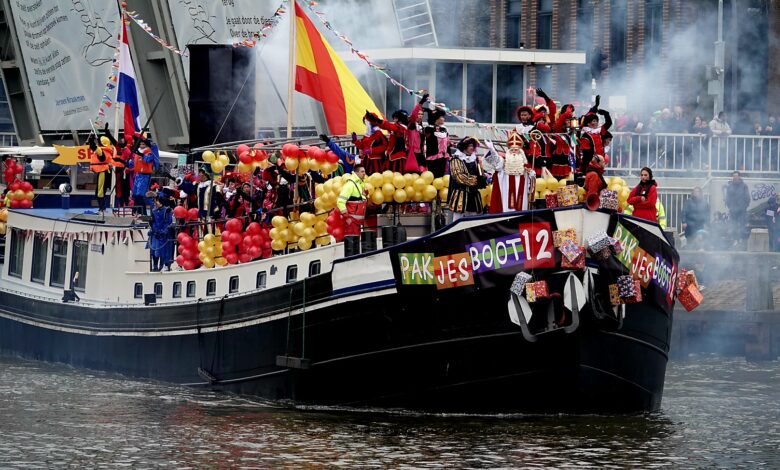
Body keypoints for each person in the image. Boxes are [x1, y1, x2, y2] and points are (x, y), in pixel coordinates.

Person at [485, 131, 536, 213]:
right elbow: (496, 160)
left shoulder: (525, 165)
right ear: (508, 151)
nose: (514, 152)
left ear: (521, 151)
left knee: (521, 208)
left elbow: (531, 183)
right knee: (507, 209)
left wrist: (532, 175)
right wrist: (492, 149)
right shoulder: (504, 162)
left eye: (517, 150)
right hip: (506, 192)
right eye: (512, 150)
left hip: (521, 195)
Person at [447, 137, 486, 221]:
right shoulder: (456, 159)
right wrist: (476, 180)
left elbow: (481, 174)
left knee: (474, 219)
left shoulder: (475, 159)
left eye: (473, 146)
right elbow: (459, 177)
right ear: (464, 147)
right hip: (461, 195)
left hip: (473, 195)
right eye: (470, 146)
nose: (472, 148)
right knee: (458, 220)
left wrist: (482, 177)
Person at [128, 135, 159, 216]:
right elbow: (132, 164)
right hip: (138, 175)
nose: (141, 146)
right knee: (135, 194)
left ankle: (142, 212)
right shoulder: (137, 153)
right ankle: (135, 211)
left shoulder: (149, 153)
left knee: (140, 194)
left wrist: (141, 155)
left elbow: (148, 160)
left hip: (145, 176)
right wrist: (125, 162)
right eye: (141, 144)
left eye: (143, 144)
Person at [336, 164, 367, 236]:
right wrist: (347, 217)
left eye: (364, 171)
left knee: (355, 243)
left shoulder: (359, 183)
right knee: (352, 243)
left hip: (356, 222)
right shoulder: (350, 184)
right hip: (351, 221)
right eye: (362, 171)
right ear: (356, 173)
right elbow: (340, 202)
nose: (364, 173)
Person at [147, 194, 174, 271]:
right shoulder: (154, 211)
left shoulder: (167, 210)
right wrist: (155, 230)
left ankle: (163, 266)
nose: (155, 203)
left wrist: (163, 231)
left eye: (156, 201)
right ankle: (155, 266)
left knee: (164, 251)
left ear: (161, 202)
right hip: (156, 234)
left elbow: (168, 222)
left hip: (164, 235)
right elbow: (153, 222)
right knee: (155, 250)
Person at [725, 170, 750, 247]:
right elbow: (727, 198)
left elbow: (747, 198)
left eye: (736, 176)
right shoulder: (730, 186)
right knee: (734, 226)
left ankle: (742, 241)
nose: (735, 177)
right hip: (733, 210)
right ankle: (735, 240)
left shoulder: (744, 186)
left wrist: (744, 206)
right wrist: (730, 206)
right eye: (734, 176)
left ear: (739, 177)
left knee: (742, 226)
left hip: (742, 210)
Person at [87, 134, 112, 214]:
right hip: (103, 172)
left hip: (103, 173)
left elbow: (93, 147)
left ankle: (102, 209)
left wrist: (91, 140)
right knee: (100, 191)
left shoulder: (101, 151)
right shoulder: (105, 150)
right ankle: (102, 208)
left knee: (100, 192)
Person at [423, 107, 450, 178]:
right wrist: (430, 114)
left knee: (442, 176)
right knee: (433, 176)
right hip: (433, 157)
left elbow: (447, 143)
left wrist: (449, 154)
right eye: (442, 117)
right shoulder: (429, 129)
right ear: (436, 118)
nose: (443, 119)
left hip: (443, 157)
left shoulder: (444, 129)